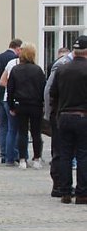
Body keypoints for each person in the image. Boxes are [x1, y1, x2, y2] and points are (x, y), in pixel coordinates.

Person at [49, 35, 87, 204]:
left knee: (65, 154)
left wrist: (56, 114)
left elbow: (52, 93)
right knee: (83, 155)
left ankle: (64, 191)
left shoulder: (62, 68)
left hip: (64, 116)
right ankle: (82, 193)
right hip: (82, 116)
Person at [5, 43, 46, 169]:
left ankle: (22, 159)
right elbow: (43, 88)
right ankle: (37, 158)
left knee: (22, 132)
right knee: (36, 132)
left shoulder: (16, 70)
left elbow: (10, 90)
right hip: (36, 105)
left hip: (20, 104)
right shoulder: (38, 70)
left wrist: (11, 106)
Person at [45, 43, 75, 197]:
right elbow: (49, 90)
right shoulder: (61, 65)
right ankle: (59, 185)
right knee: (61, 151)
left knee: (65, 152)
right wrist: (50, 115)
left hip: (63, 114)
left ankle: (64, 187)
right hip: (61, 114)